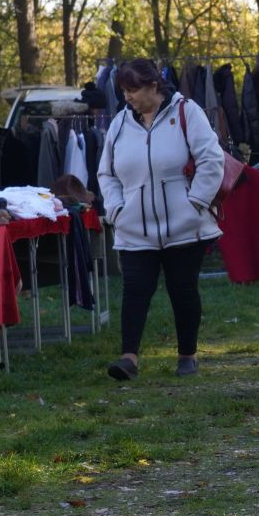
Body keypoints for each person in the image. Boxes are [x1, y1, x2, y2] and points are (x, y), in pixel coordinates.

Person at [97, 58, 226, 380]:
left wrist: (194, 203)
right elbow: (106, 173)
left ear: (154, 86)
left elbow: (211, 160)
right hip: (133, 228)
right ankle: (129, 358)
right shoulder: (120, 124)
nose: (128, 97)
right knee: (134, 290)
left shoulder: (188, 112)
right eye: (124, 90)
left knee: (183, 289)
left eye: (134, 89)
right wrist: (116, 209)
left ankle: (187, 355)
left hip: (185, 227)